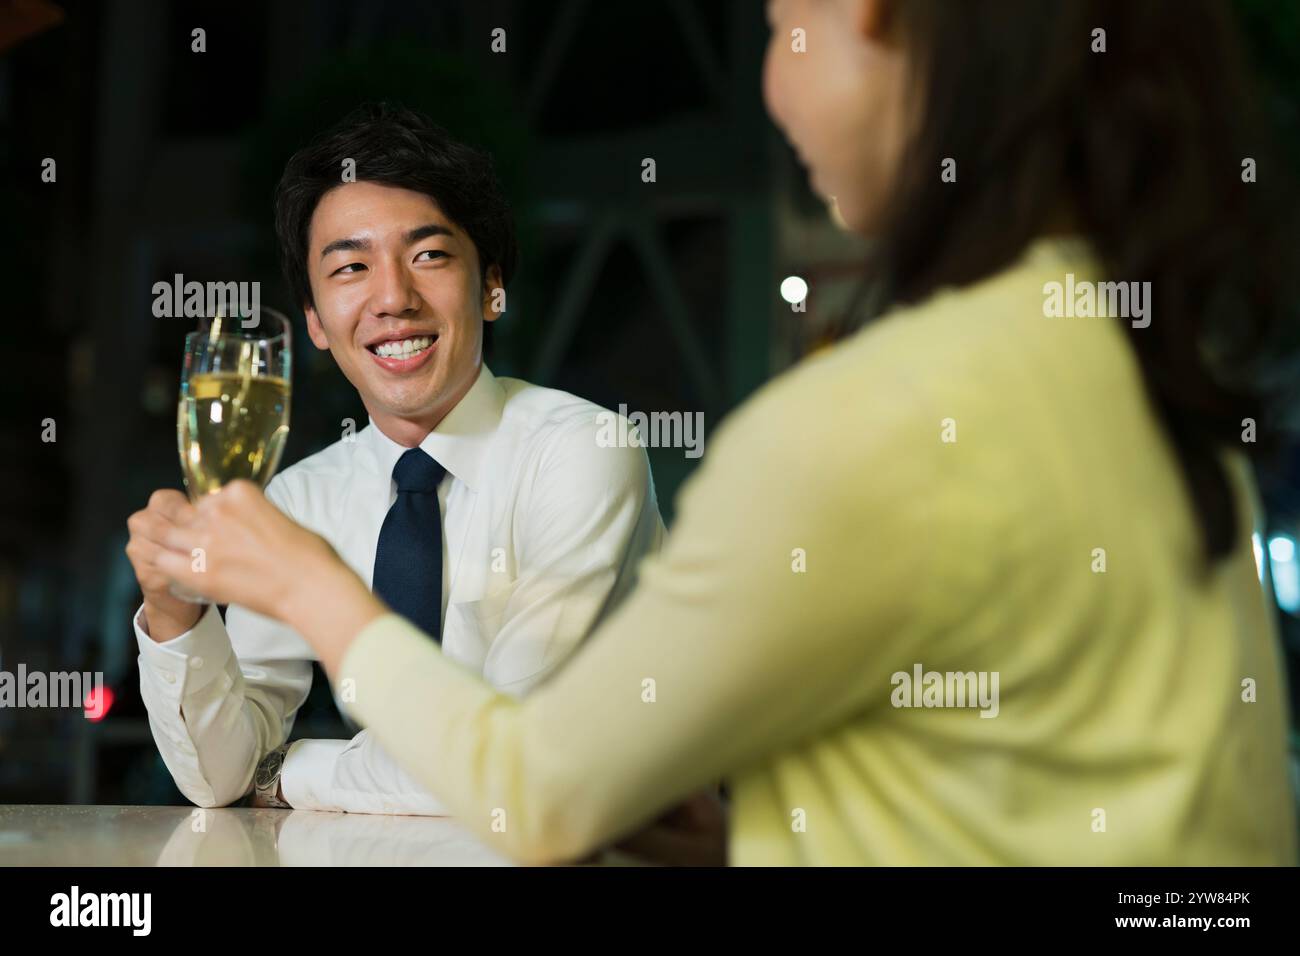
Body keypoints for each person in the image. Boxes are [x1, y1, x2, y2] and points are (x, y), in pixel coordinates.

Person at [153, 0, 1298, 864]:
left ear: (881, 26)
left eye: (783, 25)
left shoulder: (861, 418)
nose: (769, 80)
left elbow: (534, 789)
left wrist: (303, 606)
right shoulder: (1117, 354)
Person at [125, 103, 663, 812]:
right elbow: (223, 774)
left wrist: (295, 773)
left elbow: (514, 760)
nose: (392, 298)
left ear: (492, 288)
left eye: (429, 256)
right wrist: (174, 614)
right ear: (316, 322)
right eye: (350, 266)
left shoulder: (581, 454)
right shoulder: (302, 498)